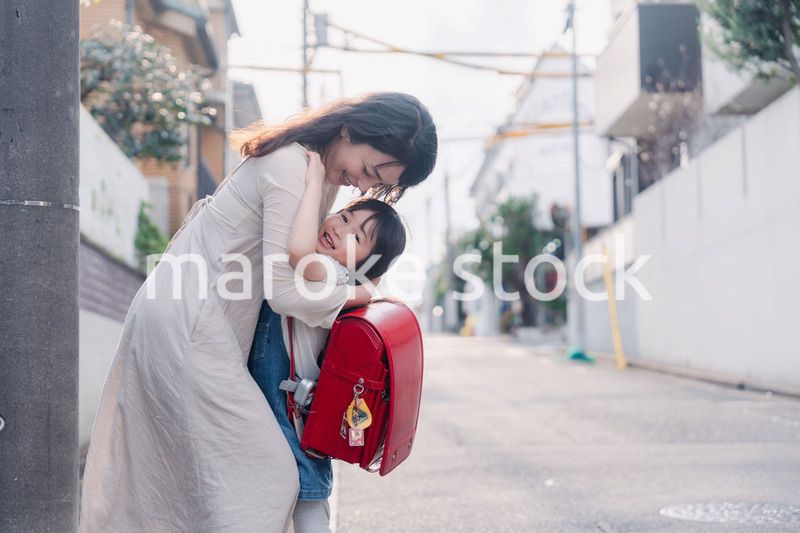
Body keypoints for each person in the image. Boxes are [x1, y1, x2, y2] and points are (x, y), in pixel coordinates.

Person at [79, 92, 437, 533]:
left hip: (195, 318)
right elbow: (286, 292)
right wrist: (356, 297)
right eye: (372, 170)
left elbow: (300, 267)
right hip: (190, 323)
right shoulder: (294, 168)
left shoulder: (316, 174)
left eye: (377, 184)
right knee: (267, 475)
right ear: (353, 130)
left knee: (179, 481)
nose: (364, 187)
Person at [250, 149, 408, 533]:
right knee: (301, 487)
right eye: (344, 215)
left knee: (308, 489)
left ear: (362, 264)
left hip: (288, 396)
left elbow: (299, 250)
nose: (339, 227)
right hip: (292, 392)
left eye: (356, 236)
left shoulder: (331, 274)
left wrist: (314, 183)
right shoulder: (340, 278)